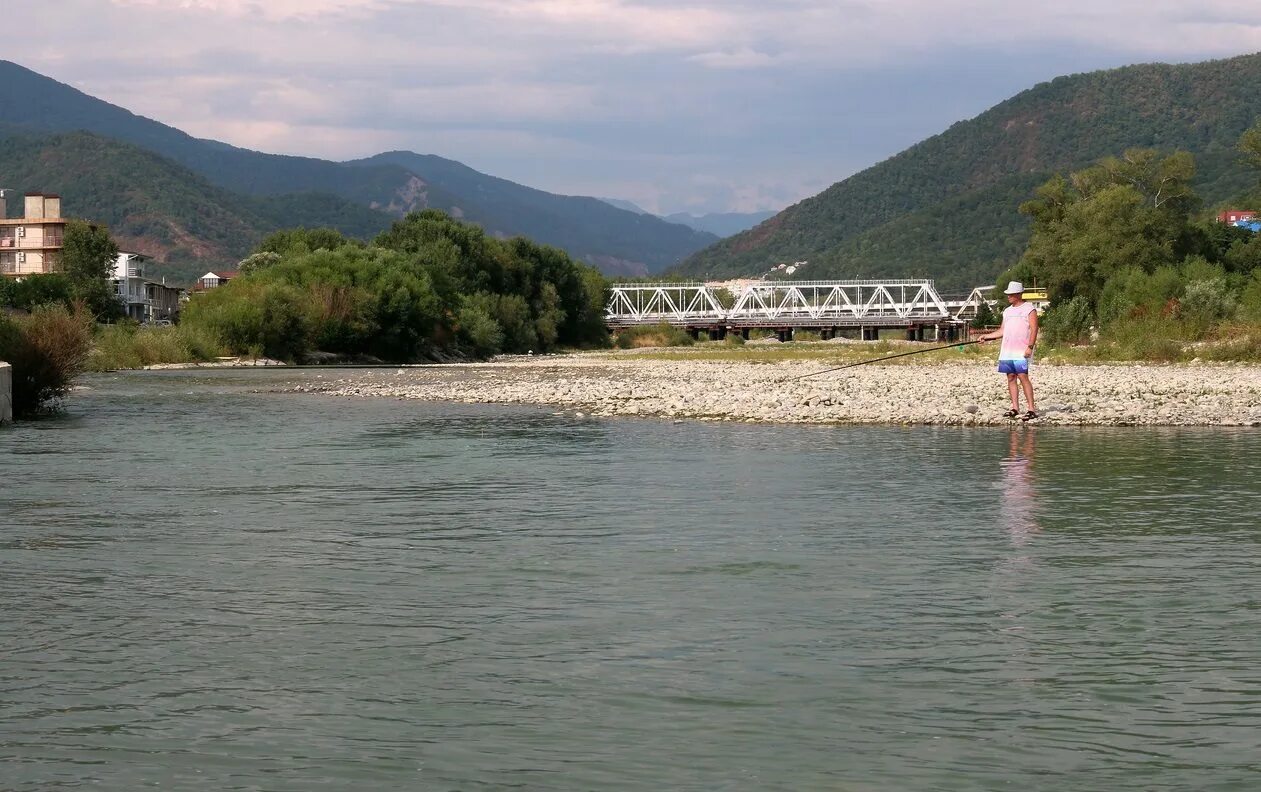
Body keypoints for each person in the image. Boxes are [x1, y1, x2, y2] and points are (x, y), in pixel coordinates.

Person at [980, 281, 1038, 419]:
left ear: (1018, 294)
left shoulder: (1029, 309)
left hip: (1021, 350)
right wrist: (987, 337)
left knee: (1023, 376)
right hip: (1007, 350)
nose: (1008, 297)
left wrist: (1030, 347)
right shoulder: (1007, 311)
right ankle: (1015, 408)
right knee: (1010, 377)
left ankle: (1031, 409)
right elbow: (1002, 330)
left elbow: (1034, 329)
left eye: (1010, 294)